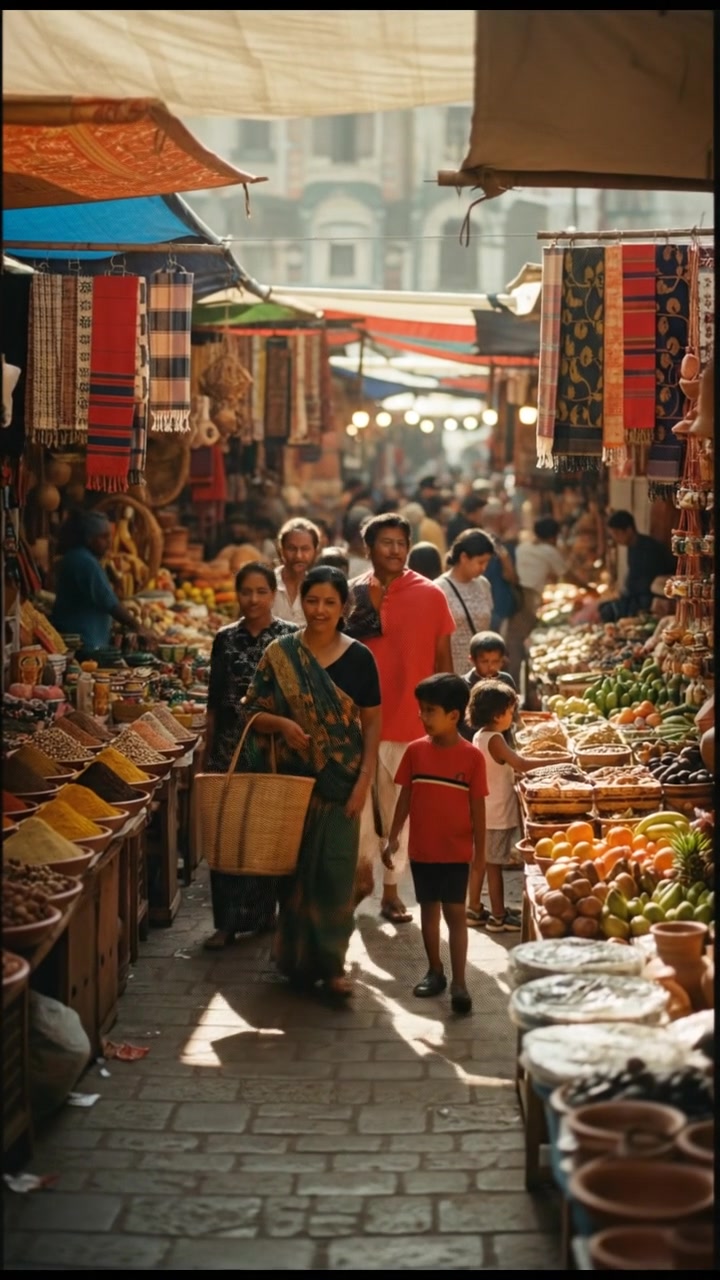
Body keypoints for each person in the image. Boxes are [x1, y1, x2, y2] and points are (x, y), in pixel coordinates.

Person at [244, 566, 381, 997]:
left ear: (345, 608)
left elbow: (373, 725)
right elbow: (251, 712)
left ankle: (333, 965)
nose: (320, 610)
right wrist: (283, 725)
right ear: (301, 601)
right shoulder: (280, 653)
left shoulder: (360, 657)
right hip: (291, 785)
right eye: (312, 600)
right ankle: (295, 960)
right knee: (295, 877)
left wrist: (364, 781)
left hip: (342, 785)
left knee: (335, 876)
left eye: (330, 603)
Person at [346, 513, 455, 924]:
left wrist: (442, 720)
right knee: (355, 811)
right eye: (385, 542)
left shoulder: (430, 594)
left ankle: (392, 893)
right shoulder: (353, 593)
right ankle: (361, 879)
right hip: (359, 722)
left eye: (400, 542)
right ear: (368, 548)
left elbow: (444, 662)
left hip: (410, 724)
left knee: (398, 816)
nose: (394, 550)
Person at [203, 563, 299, 949]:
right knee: (227, 832)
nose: (254, 599)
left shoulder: (291, 637)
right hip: (230, 746)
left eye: (262, 591)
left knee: (267, 832)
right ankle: (225, 923)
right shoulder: (224, 639)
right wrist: (209, 751)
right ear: (237, 594)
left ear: (273, 593)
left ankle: (263, 915)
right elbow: (213, 699)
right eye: (246, 592)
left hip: (274, 749)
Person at [381, 674, 488, 1014]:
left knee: (456, 913)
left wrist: (481, 854)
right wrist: (393, 836)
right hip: (423, 850)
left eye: (430, 711)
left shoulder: (472, 758)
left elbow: (478, 809)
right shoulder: (415, 752)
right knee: (428, 909)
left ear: (454, 715)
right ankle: (434, 971)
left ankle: (459, 982)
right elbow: (405, 797)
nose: (423, 718)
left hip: (456, 852)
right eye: (421, 711)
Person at [467, 679, 548, 930]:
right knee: (494, 866)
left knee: (480, 862)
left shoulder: (480, 735)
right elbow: (520, 763)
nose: (512, 716)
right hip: (496, 814)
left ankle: (474, 909)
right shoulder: (496, 740)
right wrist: (558, 760)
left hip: (483, 811)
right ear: (497, 714)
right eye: (510, 711)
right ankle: (499, 916)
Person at [50, 509, 152, 657]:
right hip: (83, 643)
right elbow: (109, 602)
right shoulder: (84, 561)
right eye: (103, 537)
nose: (109, 542)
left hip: (83, 640)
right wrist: (138, 627)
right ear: (89, 538)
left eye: (109, 536)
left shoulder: (78, 557)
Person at [505, 517, 567, 688]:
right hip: (528, 596)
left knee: (516, 639)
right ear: (553, 536)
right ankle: (514, 685)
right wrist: (589, 589)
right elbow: (566, 574)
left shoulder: (524, 547)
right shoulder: (549, 550)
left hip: (517, 594)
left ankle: (517, 682)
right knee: (518, 641)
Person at [436, 529, 495, 675]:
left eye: (487, 562)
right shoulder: (439, 588)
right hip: (453, 671)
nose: (484, 568)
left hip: (483, 672)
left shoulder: (483, 585)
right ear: (463, 557)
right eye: (480, 562)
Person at [600, 511, 676, 622]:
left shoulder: (648, 548)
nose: (615, 539)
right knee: (603, 607)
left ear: (629, 530)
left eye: (617, 533)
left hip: (651, 596)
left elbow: (648, 581)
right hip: (637, 595)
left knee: (609, 611)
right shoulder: (632, 547)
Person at [477, 501, 520, 635]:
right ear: (499, 519)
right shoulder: (500, 545)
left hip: (480, 605)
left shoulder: (474, 540)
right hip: (499, 605)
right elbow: (510, 576)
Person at [273, 517, 321, 624]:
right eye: (291, 548)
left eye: (305, 549)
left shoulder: (318, 588)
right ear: (281, 550)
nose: (298, 556)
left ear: (315, 551)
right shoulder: (267, 583)